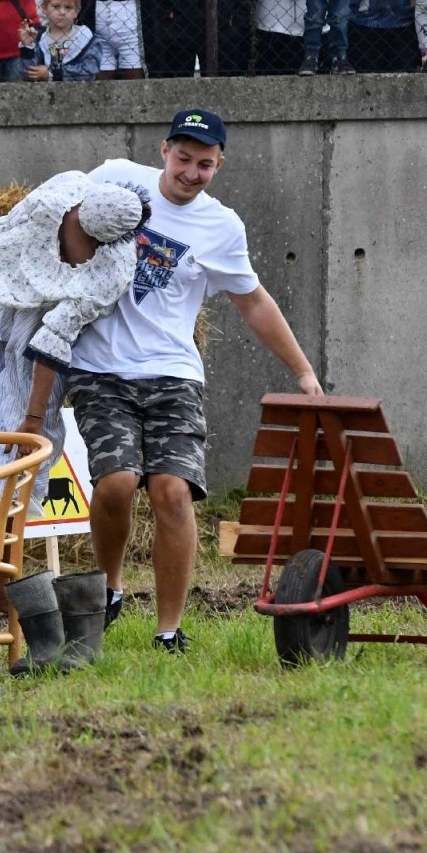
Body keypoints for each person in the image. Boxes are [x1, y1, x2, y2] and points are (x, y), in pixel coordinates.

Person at [79, 111, 320, 651]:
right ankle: (110, 587)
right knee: (116, 482)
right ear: (164, 150)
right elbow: (49, 220)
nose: (191, 172)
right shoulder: (117, 177)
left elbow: (253, 301)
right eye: (183, 159)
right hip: (101, 368)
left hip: (173, 371)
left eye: (205, 164)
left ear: (219, 165)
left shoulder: (221, 226)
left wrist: (302, 371)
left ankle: (168, 629)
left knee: (172, 492)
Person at [0, 171, 152, 613]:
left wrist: (34, 418)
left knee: (23, 446)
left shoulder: (108, 273)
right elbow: (10, 233)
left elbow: (53, 343)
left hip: (41, 341)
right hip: (0, 294)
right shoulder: (62, 189)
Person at [17, 0, 103, 82]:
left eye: (68, 7)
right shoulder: (39, 38)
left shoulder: (86, 38)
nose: (62, 12)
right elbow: (27, 74)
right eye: (56, 6)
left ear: (77, 11)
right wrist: (27, 47)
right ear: (44, 8)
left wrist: (52, 74)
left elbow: (89, 72)